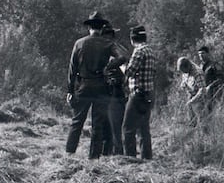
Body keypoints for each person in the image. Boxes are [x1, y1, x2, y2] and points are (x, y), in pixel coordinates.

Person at [66, 11, 127, 159]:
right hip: (101, 87)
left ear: (89, 28)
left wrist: (70, 90)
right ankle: (93, 158)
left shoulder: (79, 43)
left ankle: (69, 154)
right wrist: (109, 67)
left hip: (83, 86)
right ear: (101, 28)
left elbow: (72, 69)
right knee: (98, 125)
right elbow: (123, 57)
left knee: (77, 122)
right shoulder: (108, 43)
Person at [122, 25, 157, 159]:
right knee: (144, 129)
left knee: (128, 128)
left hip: (137, 94)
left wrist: (121, 64)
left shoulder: (138, 51)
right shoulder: (150, 51)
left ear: (132, 39)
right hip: (148, 94)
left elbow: (129, 72)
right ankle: (147, 158)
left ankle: (130, 159)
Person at [101, 24, 129, 156]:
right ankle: (109, 152)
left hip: (115, 90)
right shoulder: (108, 49)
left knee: (114, 123)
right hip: (110, 90)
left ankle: (117, 153)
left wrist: (108, 68)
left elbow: (124, 65)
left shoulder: (116, 50)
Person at [177, 56, 205, 126]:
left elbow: (202, 90)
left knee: (201, 123)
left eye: (184, 71)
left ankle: (202, 135)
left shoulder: (197, 73)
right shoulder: (185, 71)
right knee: (192, 122)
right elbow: (184, 81)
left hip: (199, 100)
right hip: (190, 97)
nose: (183, 73)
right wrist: (182, 86)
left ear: (188, 66)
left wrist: (193, 100)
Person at [197, 45, 223, 110]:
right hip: (202, 94)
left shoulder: (214, 65)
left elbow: (221, 78)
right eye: (199, 54)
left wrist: (210, 86)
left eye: (203, 53)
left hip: (214, 93)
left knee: (213, 111)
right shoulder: (199, 66)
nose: (201, 55)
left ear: (207, 54)